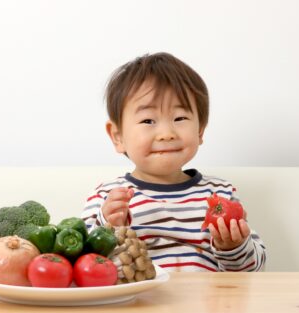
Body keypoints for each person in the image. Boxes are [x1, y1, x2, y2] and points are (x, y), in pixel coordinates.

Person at [81, 52, 266, 272]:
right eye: (148, 120)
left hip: (207, 304)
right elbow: (84, 265)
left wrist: (232, 246)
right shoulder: (108, 197)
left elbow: (255, 269)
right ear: (117, 136)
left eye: (179, 118)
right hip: (138, 303)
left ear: (200, 130)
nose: (166, 133)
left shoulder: (219, 195)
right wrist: (107, 226)